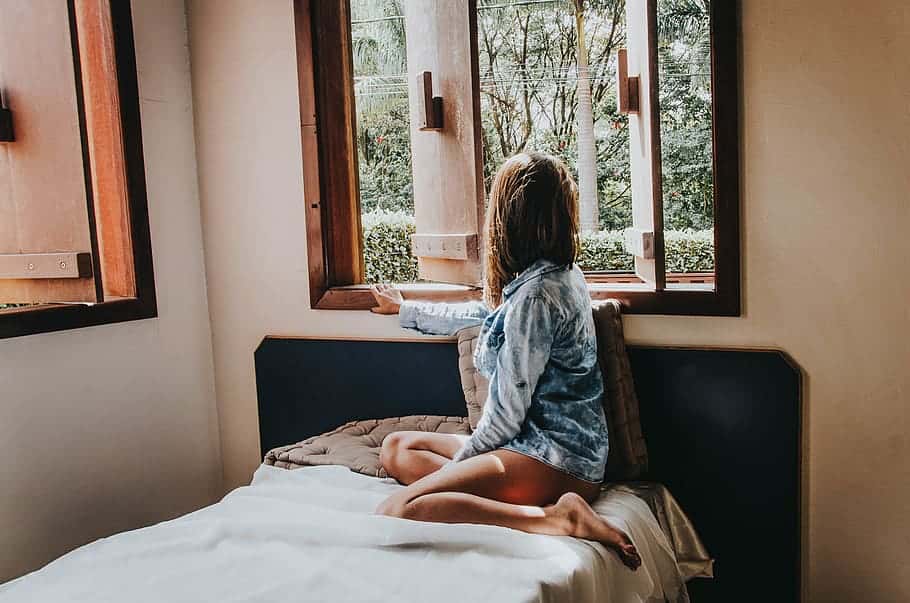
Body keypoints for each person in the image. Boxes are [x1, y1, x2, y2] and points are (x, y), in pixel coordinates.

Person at [369, 152, 640, 570]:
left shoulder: (536, 297)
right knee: (396, 448)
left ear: (510, 219)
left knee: (399, 509)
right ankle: (496, 498)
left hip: (556, 458)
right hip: (533, 446)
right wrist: (405, 310)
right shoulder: (553, 275)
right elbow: (485, 315)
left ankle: (555, 518)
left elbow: (505, 419)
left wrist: (457, 470)